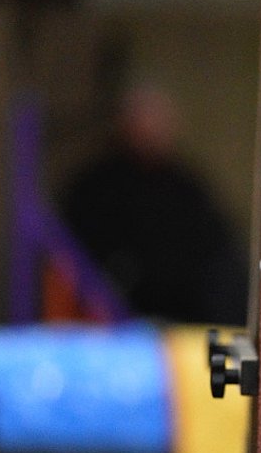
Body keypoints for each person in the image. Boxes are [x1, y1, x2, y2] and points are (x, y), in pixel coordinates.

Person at [63, 84, 249, 324]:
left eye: (160, 121)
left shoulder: (185, 184)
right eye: (145, 120)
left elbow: (216, 241)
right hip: (120, 309)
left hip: (186, 311)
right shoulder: (96, 185)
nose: (153, 130)